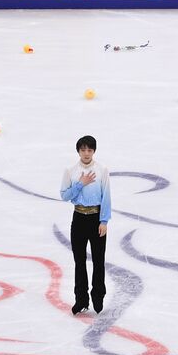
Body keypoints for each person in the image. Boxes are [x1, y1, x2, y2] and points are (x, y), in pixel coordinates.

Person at [59, 135, 110, 316]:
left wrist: (104, 221)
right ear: (78, 151)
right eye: (83, 150)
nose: (86, 153)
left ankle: (98, 296)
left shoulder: (102, 170)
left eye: (89, 150)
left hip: (96, 220)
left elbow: (106, 197)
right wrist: (80, 184)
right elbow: (64, 196)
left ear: (94, 151)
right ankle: (81, 299)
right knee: (79, 262)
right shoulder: (71, 170)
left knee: (98, 261)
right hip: (79, 219)